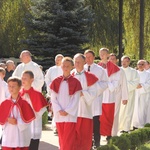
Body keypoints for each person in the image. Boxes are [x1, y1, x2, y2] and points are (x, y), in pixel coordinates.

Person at [50, 57, 82, 150]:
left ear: (72, 67)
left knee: (68, 138)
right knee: (62, 138)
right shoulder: (56, 81)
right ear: (61, 66)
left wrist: (67, 110)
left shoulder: (75, 82)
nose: (66, 68)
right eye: (64, 65)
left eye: (68, 66)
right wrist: (59, 110)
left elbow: (75, 99)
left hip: (70, 115)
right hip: (59, 114)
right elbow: (53, 98)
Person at [0, 77, 35, 150]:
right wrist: (6, 119)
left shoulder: (24, 103)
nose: (11, 88)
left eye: (14, 86)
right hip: (8, 133)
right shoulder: (4, 103)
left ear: (19, 87)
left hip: (20, 134)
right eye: (9, 86)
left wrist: (18, 122)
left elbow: (28, 120)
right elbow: (2, 119)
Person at [72, 53, 98, 150]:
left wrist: (82, 93)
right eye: (75, 61)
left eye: (79, 62)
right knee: (72, 136)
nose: (77, 64)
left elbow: (94, 92)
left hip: (85, 109)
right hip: (72, 110)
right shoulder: (69, 75)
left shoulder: (90, 76)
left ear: (84, 62)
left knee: (84, 135)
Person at [84, 49, 108, 148]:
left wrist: (94, 89)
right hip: (84, 100)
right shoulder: (81, 69)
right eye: (86, 57)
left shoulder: (100, 70)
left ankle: (97, 143)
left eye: (90, 57)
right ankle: (87, 143)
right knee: (85, 124)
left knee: (95, 124)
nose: (88, 59)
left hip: (95, 99)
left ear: (94, 57)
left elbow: (104, 83)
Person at [20, 71, 48, 150]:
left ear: (32, 80)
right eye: (22, 78)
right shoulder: (18, 94)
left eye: (25, 78)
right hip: (21, 128)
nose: (23, 80)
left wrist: (32, 115)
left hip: (33, 126)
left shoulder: (37, 94)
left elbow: (42, 110)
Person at [98, 48, 120, 141]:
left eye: (104, 54)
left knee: (108, 115)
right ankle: (98, 133)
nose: (102, 55)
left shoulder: (115, 68)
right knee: (99, 116)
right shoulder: (96, 66)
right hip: (99, 94)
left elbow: (116, 82)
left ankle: (109, 134)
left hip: (109, 95)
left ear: (108, 55)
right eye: (100, 54)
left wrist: (107, 84)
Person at [108, 53, 128, 136]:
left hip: (116, 94)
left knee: (115, 114)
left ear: (116, 60)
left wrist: (125, 97)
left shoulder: (120, 70)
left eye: (113, 59)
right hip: (106, 96)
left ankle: (113, 133)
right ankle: (106, 132)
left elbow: (124, 84)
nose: (112, 60)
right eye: (110, 58)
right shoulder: (104, 69)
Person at [119, 56, 139, 133]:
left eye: (126, 61)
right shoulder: (118, 70)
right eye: (123, 61)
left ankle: (126, 128)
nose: (124, 63)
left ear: (129, 62)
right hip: (119, 94)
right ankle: (119, 128)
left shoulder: (133, 72)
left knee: (128, 111)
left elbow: (135, 82)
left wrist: (124, 85)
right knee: (120, 111)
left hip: (129, 94)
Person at [45, 54, 64, 134]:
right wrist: (51, 87)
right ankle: (56, 127)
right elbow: (47, 79)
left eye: (59, 59)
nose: (57, 61)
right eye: (56, 59)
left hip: (63, 93)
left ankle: (61, 127)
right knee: (54, 110)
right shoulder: (51, 69)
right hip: (53, 92)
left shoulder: (65, 69)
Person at [132, 60, 150, 129]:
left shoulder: (148, 74)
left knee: (143, 110)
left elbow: (149, 83)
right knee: (134, 109)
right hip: (135, 93)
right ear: (137, 65)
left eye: (142, 64)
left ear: (144, 65)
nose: (140, 65)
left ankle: (142, 125)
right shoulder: (134, 73)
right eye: (139, 64)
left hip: (144, 94)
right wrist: (135, 85)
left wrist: (142, 85)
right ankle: (134, 124)